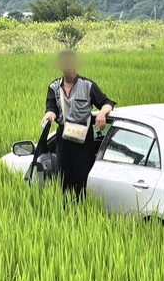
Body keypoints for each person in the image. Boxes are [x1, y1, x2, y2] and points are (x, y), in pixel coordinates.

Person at [41, 49, 116, 198]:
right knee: (65, 178)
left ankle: (83, 205)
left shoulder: (88, 85)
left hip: (83, 138)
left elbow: (107, 103)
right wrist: (49, 115)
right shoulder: (54, 87)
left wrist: (102, 113)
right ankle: (68, 207)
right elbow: (51, 108)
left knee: (83, 177)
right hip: (64, 138)